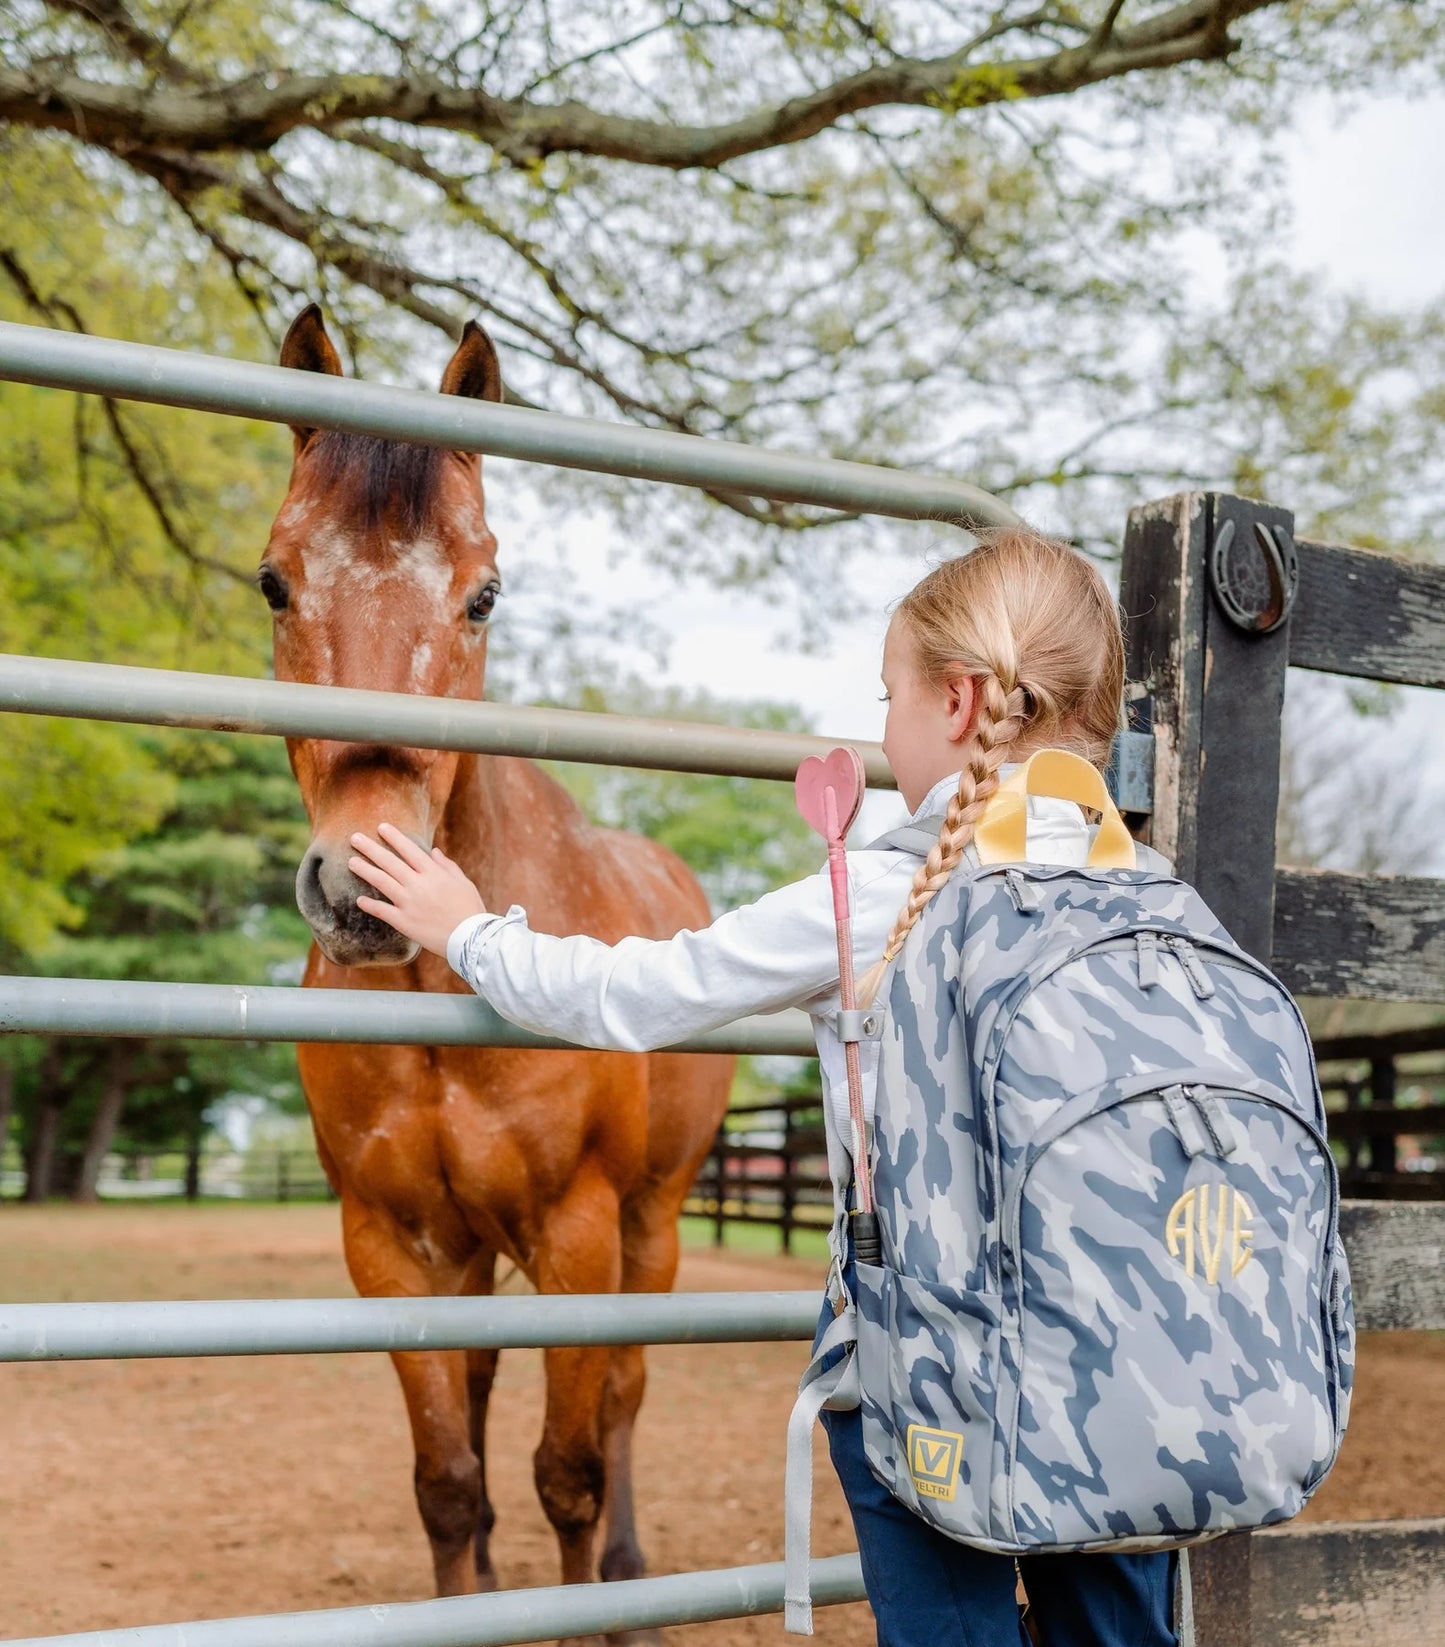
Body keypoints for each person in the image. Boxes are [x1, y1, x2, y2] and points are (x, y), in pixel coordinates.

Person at [347, 526, 1180, 1647]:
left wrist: (467, 929)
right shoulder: (1158, 897)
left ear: (955, 701)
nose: (880, 730)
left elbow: (634, 994)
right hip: (1133, 1360)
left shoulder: (873, 899)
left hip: (937, 1371)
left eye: (886, 697)